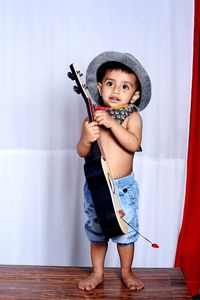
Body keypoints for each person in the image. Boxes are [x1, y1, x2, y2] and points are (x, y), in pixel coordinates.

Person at [76, 51, 151, 291]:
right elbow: (81, 151)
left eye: (125, 86)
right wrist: (87, 137)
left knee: (124, 232)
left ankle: (126, 271)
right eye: (110, 84)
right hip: (97, 186)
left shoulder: (132, 117)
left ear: (135, 95)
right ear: (99, 87)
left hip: (123, 188)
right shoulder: (92, 117)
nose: (116, 90)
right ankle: (97, 273)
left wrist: (112, 124)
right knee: (97, 231)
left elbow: (132, 144)